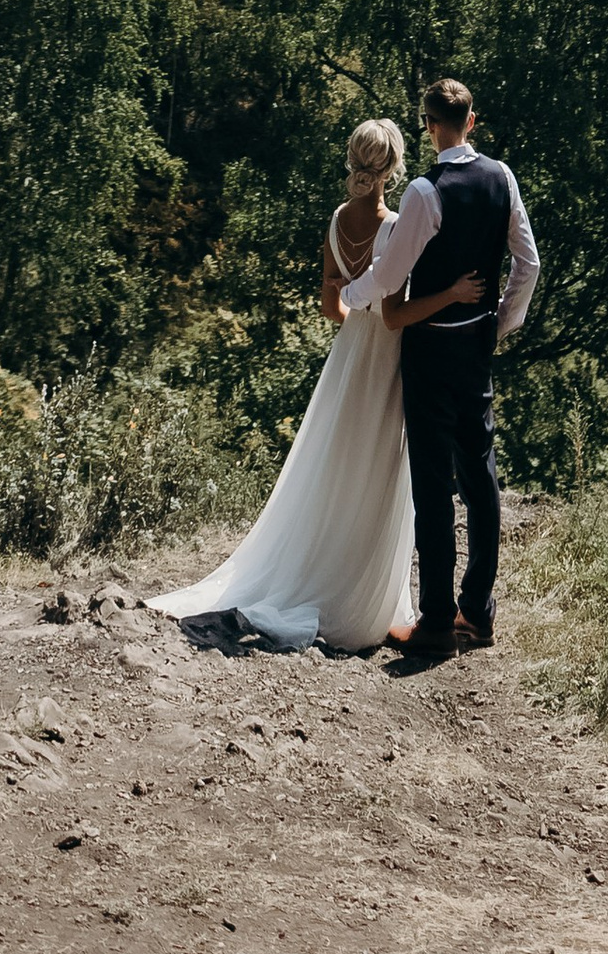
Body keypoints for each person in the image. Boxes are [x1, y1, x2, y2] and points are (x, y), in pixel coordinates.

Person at [147, 118, 479, 650]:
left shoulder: (336, 221)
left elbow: (333, 307)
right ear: (392, 168)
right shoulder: (395, 226)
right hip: (388, 357)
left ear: (354, 162)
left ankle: (320, 565)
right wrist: (451, 296)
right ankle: (357, 592)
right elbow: (395, 312)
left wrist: (357, 307)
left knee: (339, 462)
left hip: (349, 356)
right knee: (377, 470)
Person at [330, 75, 539, 662]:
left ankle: (436, 623)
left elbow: (390, 280)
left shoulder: (425, 192)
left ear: (429, 126)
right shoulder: (503, 178)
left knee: (431, 487)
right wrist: (498, 324)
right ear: (470, 121)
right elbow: (529, 263)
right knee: (481, 480)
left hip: (428, 354)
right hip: (475, 351)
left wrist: (352, 296)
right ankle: (479, 612)